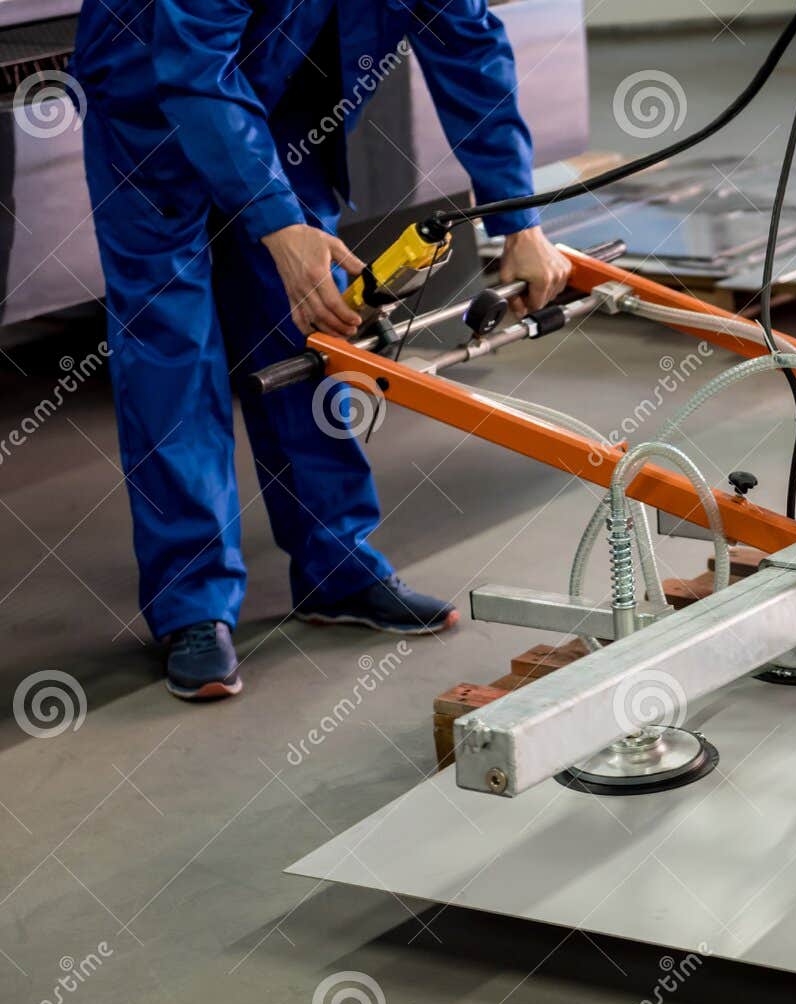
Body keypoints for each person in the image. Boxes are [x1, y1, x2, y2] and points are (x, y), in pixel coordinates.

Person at [70, 1, 571, 701]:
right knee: (172, 348)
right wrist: (276, 223)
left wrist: (518, 219)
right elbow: (193, 68)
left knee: (310, 326)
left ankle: (336, 564)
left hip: (285, 97)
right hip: (150, 98)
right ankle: (193, 605)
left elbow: (465, 39)